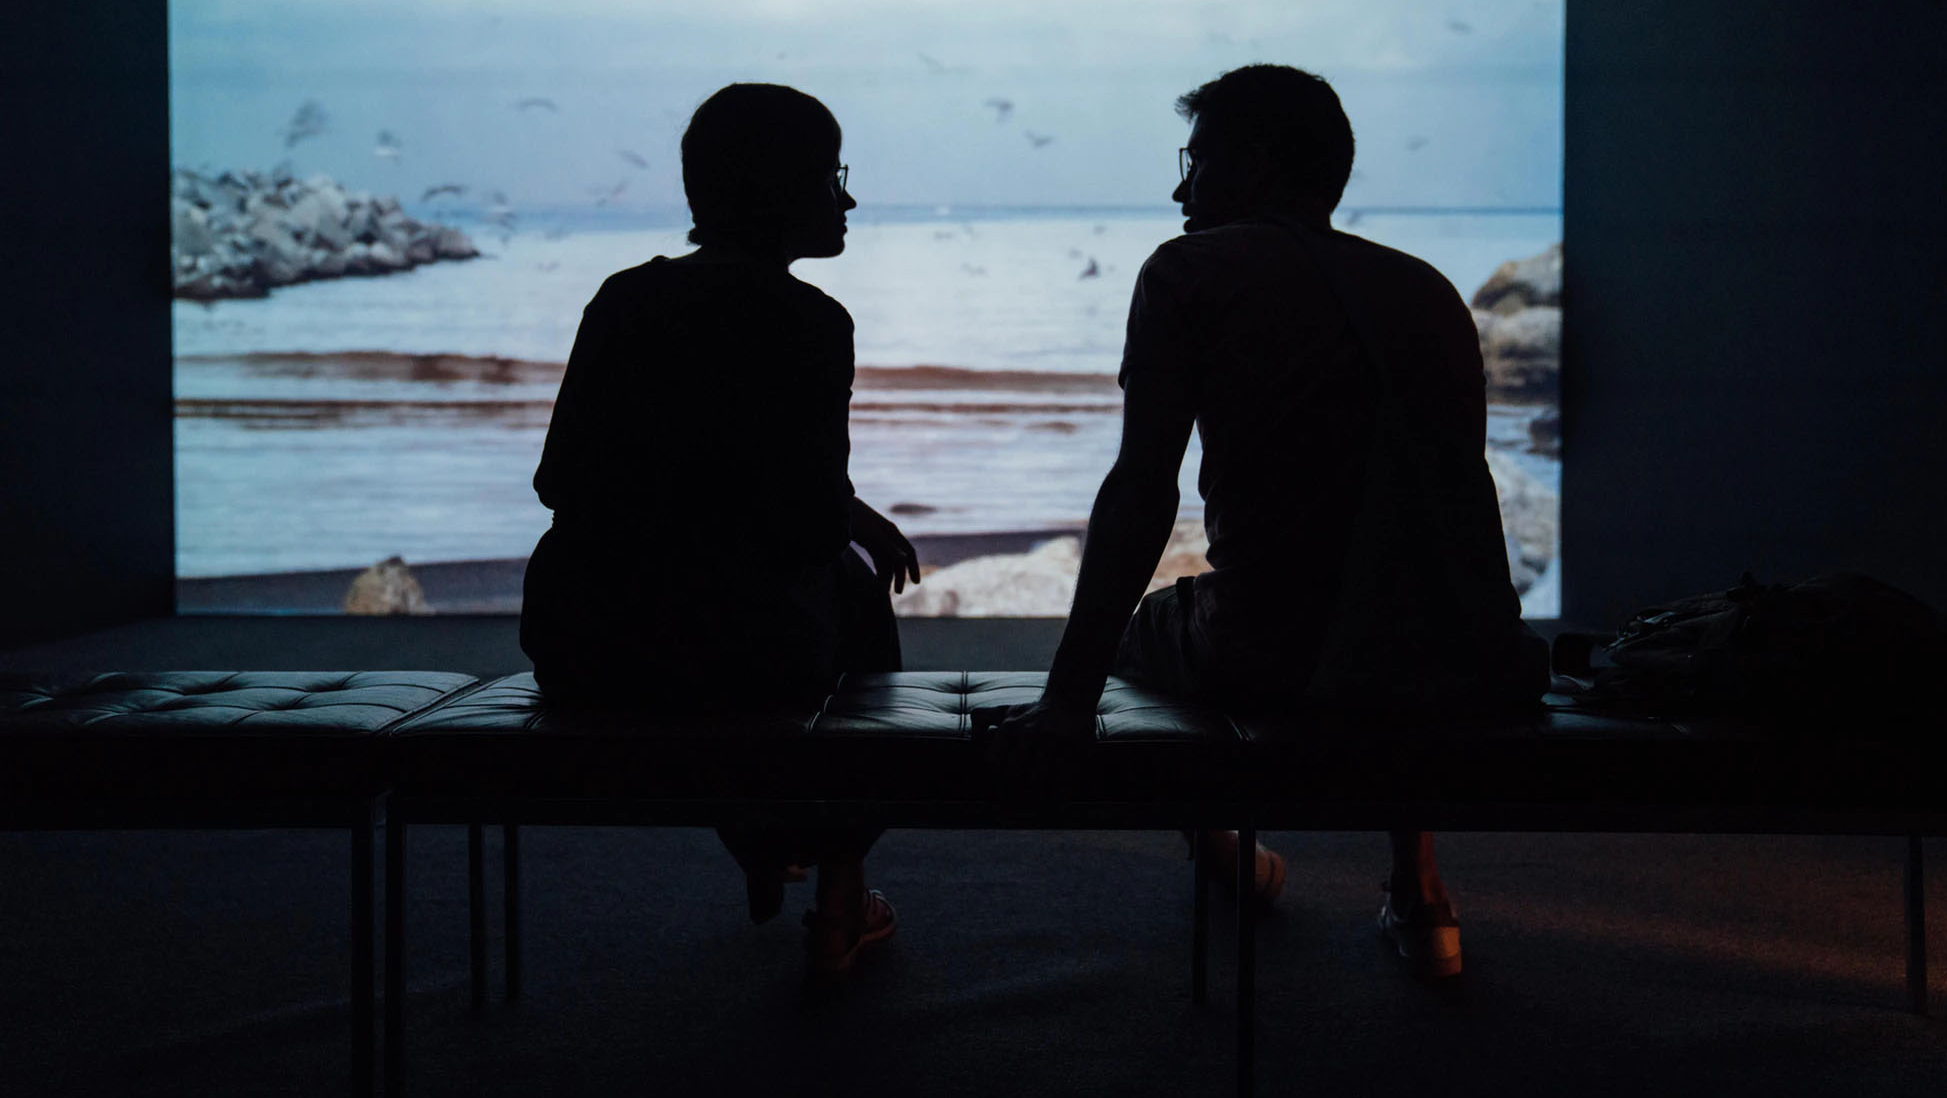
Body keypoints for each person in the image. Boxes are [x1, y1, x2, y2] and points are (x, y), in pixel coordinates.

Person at [980, 64, 1548, 980]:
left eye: (1195, 161)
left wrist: (1066, 700)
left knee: (1148, 633)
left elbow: (1141, 489)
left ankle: (1225, 853)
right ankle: (1420, 888)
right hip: (1464, 656)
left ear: (1254, 164)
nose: (1178, 189)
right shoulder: (1427, 288)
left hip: (1280, 656)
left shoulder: (1190, 271)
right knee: (1390, 578)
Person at [518, 82, 922, 978]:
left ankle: (759, 825)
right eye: (832, 177)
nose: (847, 199)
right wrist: (842, 524)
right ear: (785, 191)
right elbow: (807, 523)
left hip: (586, 644)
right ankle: (841, 895)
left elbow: (561, 479)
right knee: (850, 601)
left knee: (733, 606)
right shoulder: (812, 322)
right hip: (741, 658)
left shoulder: (623, 299)